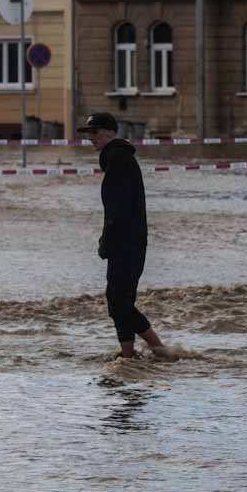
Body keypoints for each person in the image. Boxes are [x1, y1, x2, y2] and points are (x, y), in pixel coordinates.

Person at [80, 112, 167, 360]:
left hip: (126, 244)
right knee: (118, 300)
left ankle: (159, 349)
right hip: (130, 242)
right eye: (89, 134)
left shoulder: (118, 159)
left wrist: (106, 242)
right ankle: (128, 354)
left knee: (119, 303)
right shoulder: (118, 158)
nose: (91, 139)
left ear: (109, 133)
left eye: (95, 133)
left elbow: (117, 209)